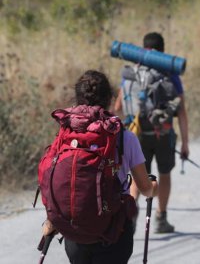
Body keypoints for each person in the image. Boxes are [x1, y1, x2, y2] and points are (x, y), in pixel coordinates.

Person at [42, 70, 158, 263]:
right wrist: (153, 188)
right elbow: (145, 188)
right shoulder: (124, 137)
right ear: (110, 100)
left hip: (74, 233)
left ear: (77, 99)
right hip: (112, 233)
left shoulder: (66, 133)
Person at [114, 32, 190, 233]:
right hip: (163, 134)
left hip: (136, 135)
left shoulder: (131, 73)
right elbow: (181, 110)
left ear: (142, 49)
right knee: (164, 174)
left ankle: (130, 218)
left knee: (138, 176)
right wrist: (185, 143)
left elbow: (118, 107)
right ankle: (160, 219)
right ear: (163, 51)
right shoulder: (170, 74)